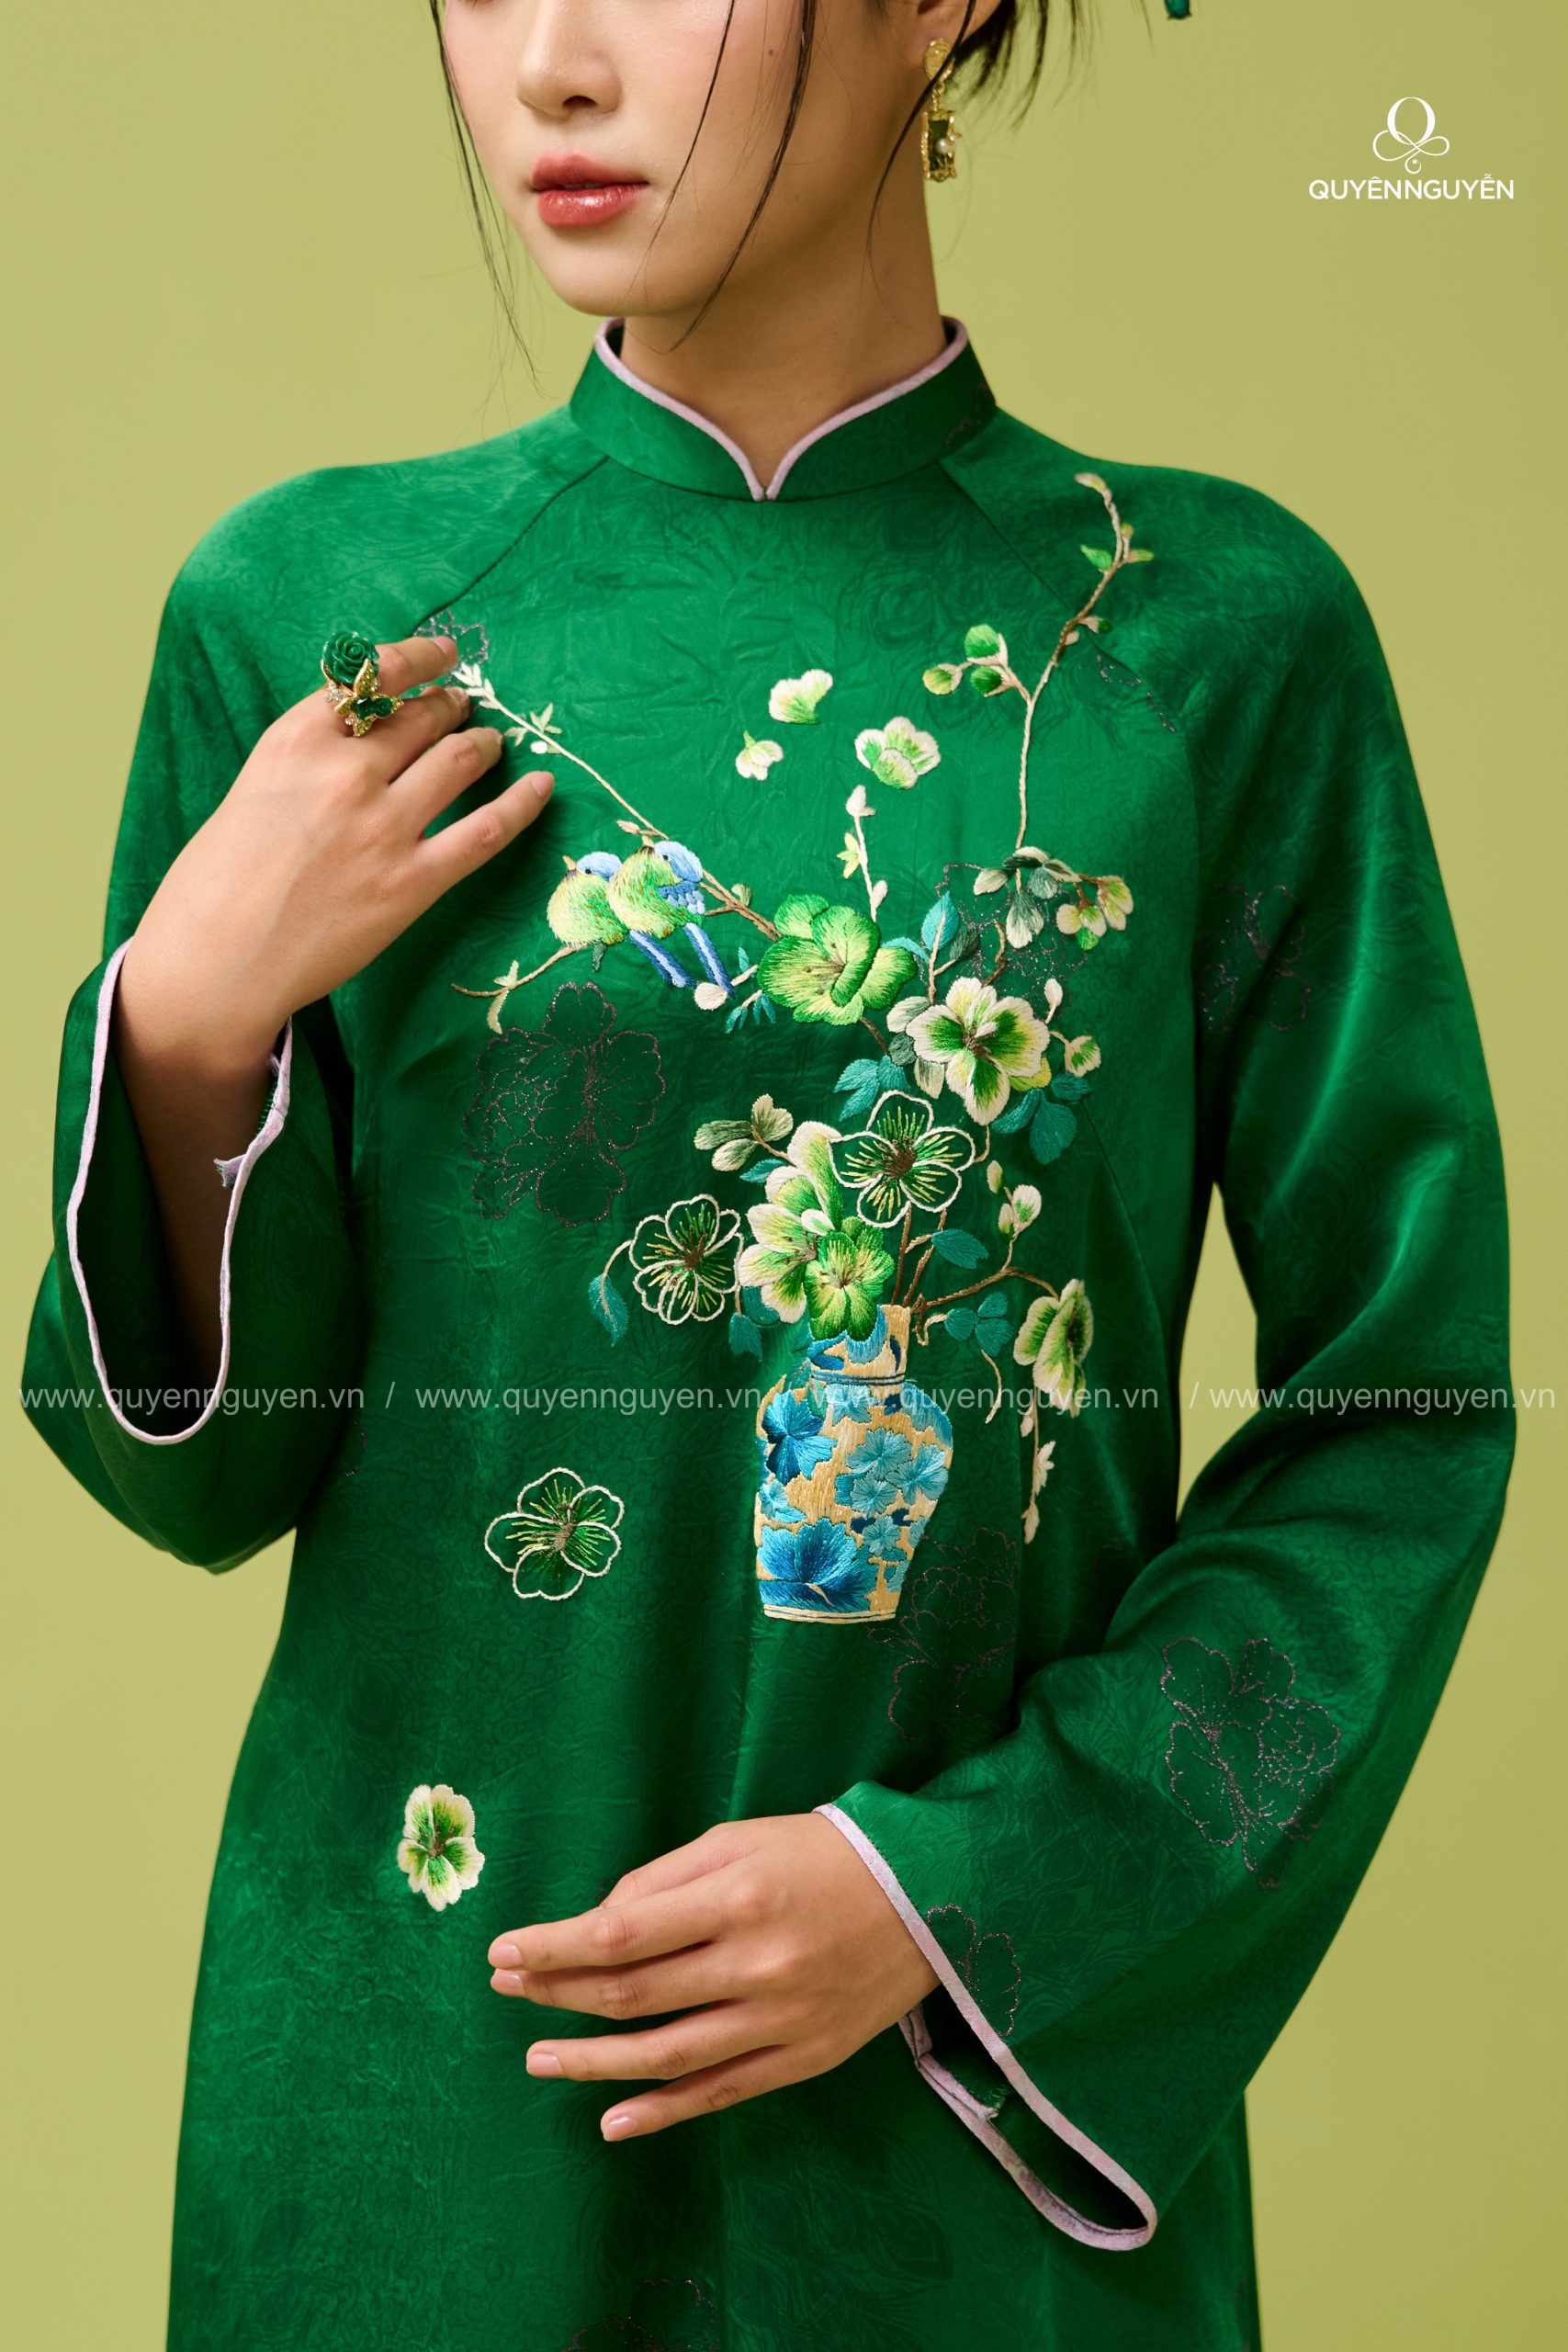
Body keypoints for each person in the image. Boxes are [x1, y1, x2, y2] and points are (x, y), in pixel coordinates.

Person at [20, 3, 1516, 2346]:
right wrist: (186, 1025)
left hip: (950, 2105)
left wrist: (958, 1888)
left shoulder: (1202, 638)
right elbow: (191, 1478)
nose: (549, 64)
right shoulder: (328, 627)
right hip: (421, 2086)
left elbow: (1395, 1408)